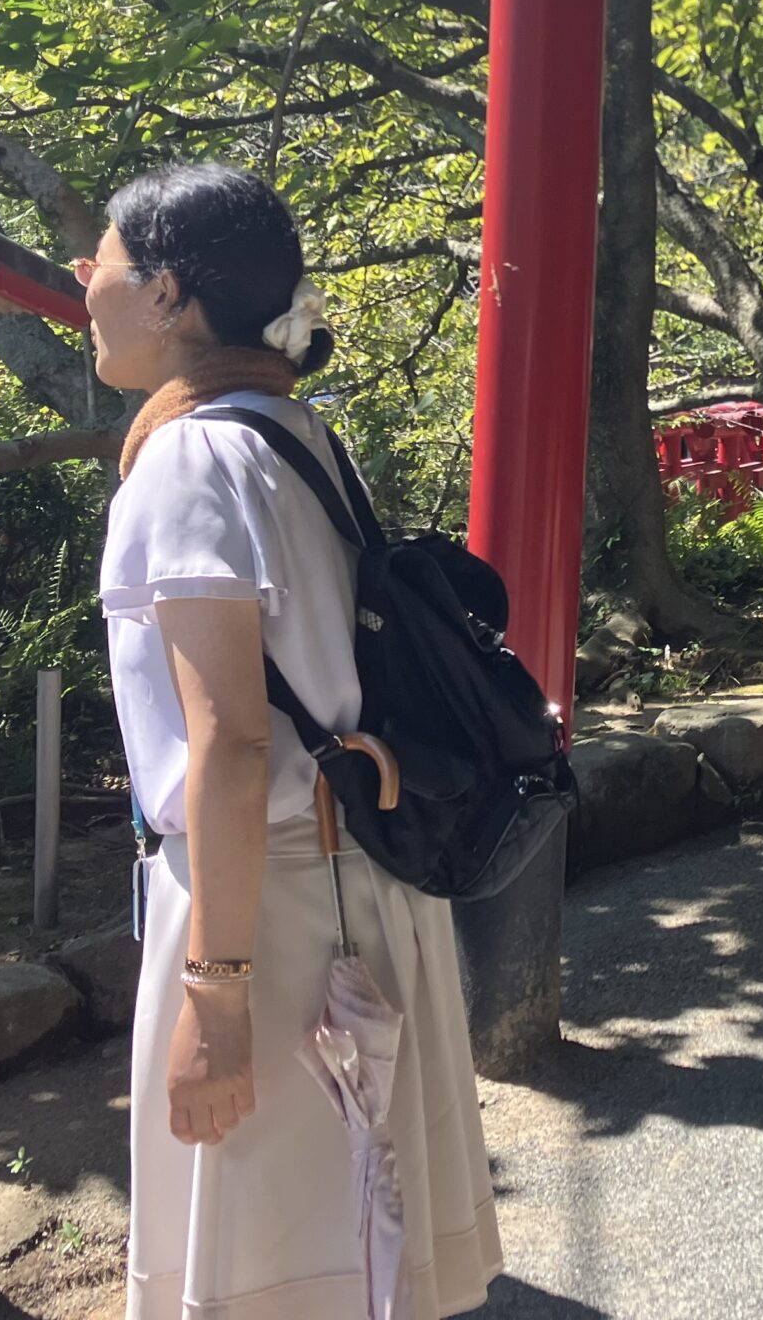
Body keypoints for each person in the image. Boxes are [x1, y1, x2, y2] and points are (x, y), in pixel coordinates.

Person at [83, 162, 503, 1319]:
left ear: (167, 294)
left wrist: (216, 1001)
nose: (83, 283)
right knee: (363, 1251)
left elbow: (228, 745)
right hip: (365, 871)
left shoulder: (185, 459)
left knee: (274, 1258)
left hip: (268, 907)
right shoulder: (301, 433)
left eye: (100, 261)